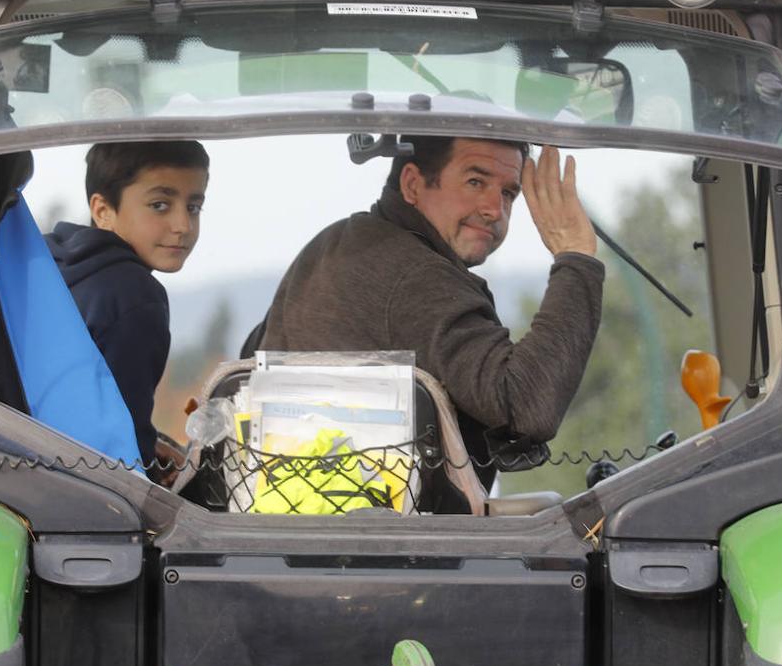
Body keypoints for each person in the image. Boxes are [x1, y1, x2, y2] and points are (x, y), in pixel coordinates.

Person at [258, 136, 603, 493]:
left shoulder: (329, 246)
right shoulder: (418, 276)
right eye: (475, 182)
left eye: (508, 194)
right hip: (400, 541)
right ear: (412, 184)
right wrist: (576, 256)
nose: (494, 210)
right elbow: (527, 405)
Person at [44, 140, 210, 466]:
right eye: (160, 205)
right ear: (103, 211)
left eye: (193, 206)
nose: (183, 226)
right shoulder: (134, 295)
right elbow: (123, 440)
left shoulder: (53, 266)